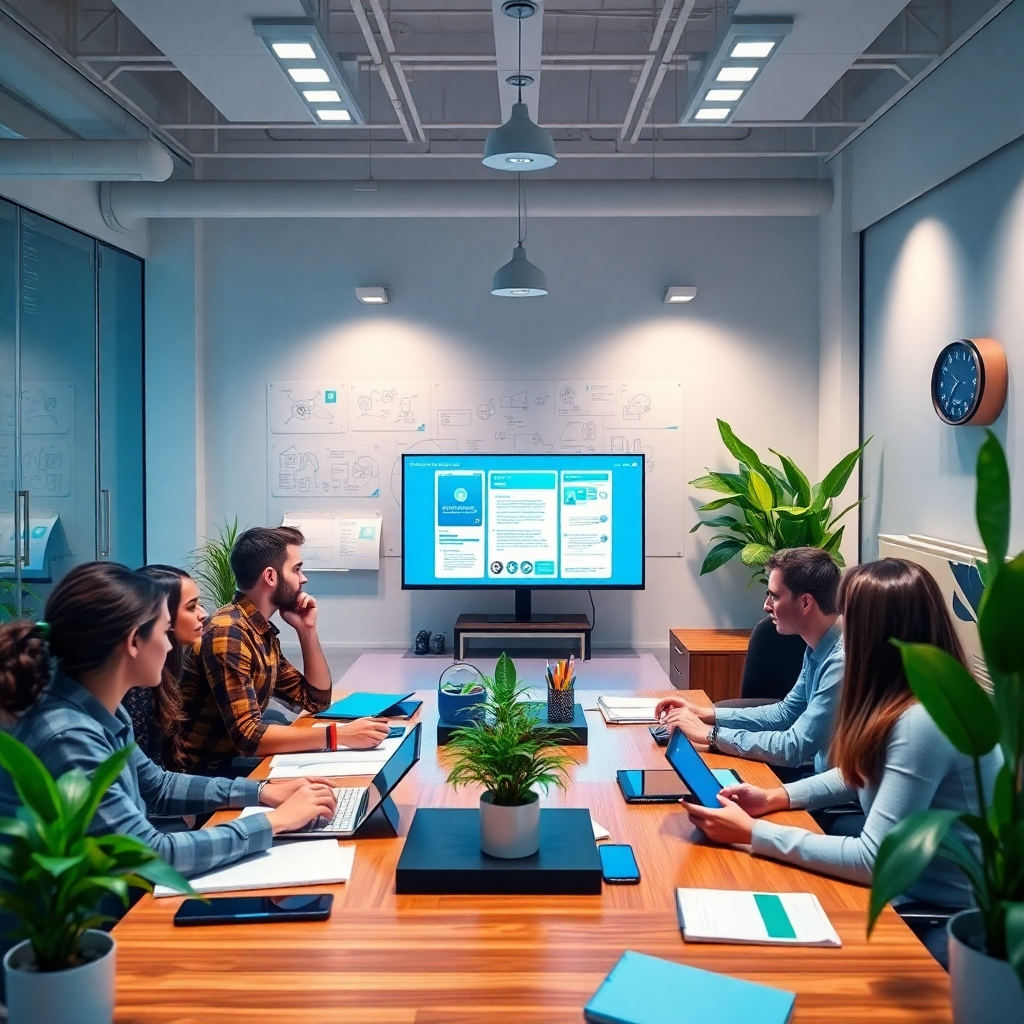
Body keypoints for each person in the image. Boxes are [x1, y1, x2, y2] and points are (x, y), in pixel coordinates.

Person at [682, 558, 1002, 962]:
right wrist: (774, 798)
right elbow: (856, 774)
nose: (841, 625)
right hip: (904, 896)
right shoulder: (905, 697)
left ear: (876, 632)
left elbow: (873, 861)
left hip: (936, 921)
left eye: (850, 614)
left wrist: (751, 833)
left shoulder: (925, 721)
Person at [0, 561, 339, 885]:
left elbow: (157, 786)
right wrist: (275, 822)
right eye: (164, 631)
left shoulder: (102, 710)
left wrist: (264, 792)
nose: (168, 645)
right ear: (133, 642)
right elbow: (150, 855)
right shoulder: (69, 736)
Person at [178, 526, 388, 775]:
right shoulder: (228, 632)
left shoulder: (256, 629)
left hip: (230, 760)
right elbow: (248, 736)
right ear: (270, 576)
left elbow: (315, 700)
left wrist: (306, 630)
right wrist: (337, 736)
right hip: (205, 772)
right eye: (296, 569)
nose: (303, 579)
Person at [656, 547, 843, 775]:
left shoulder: (840, 662)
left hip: (833, 794)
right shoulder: (817, 644)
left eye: (774, 596)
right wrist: (703, 713)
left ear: (805, 603)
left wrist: (711, 734)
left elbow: (793, 748)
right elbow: (785, 714)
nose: (766, 605)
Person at [122, 565, 207, 768]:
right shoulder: (137, 689)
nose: (203, 614)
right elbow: (145, 783)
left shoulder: (168, 668)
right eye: (191, 607)